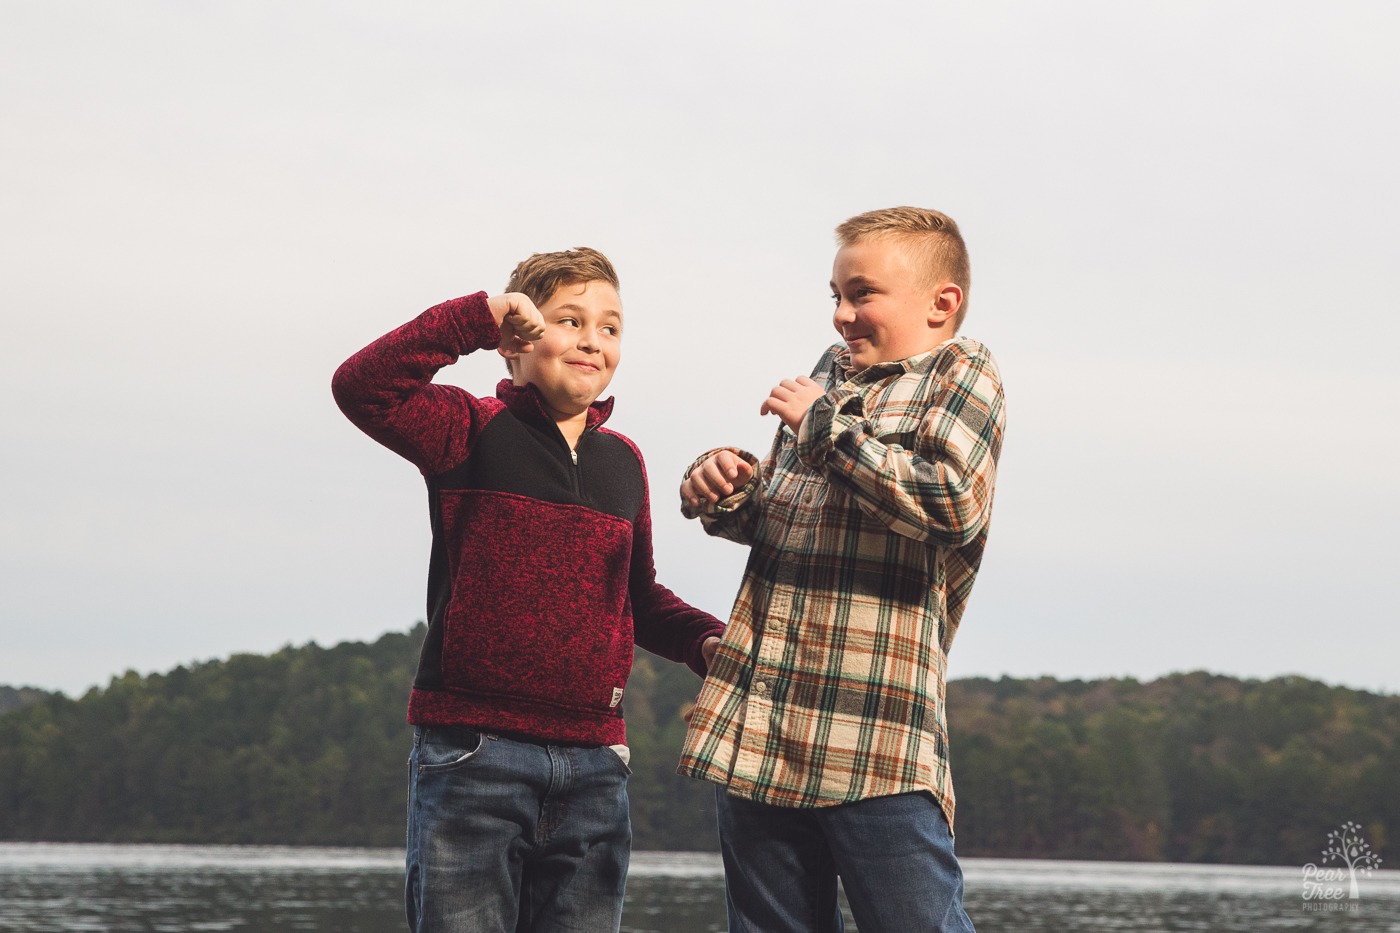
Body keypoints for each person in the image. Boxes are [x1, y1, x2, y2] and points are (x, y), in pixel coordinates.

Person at [332, 246, 724, 933]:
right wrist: (475, 319)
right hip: (475, 753)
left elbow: (639, 597)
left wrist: (703, 640)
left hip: (596, 764)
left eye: (610, 327)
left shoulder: (624, 462)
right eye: (569, 320)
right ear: (515, 343)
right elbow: (361, 385)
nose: (592, 340)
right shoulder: (467, 428)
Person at [677, 207, 1006, 932]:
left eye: (862, 295)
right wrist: (724, 488)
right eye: (834, 294)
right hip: (762, 732)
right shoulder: (829, 378)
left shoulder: (963, 374)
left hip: (873, 740)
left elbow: (951, 504)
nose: (841, 316)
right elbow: (786, 514)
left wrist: (824, 424)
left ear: (940, 303)